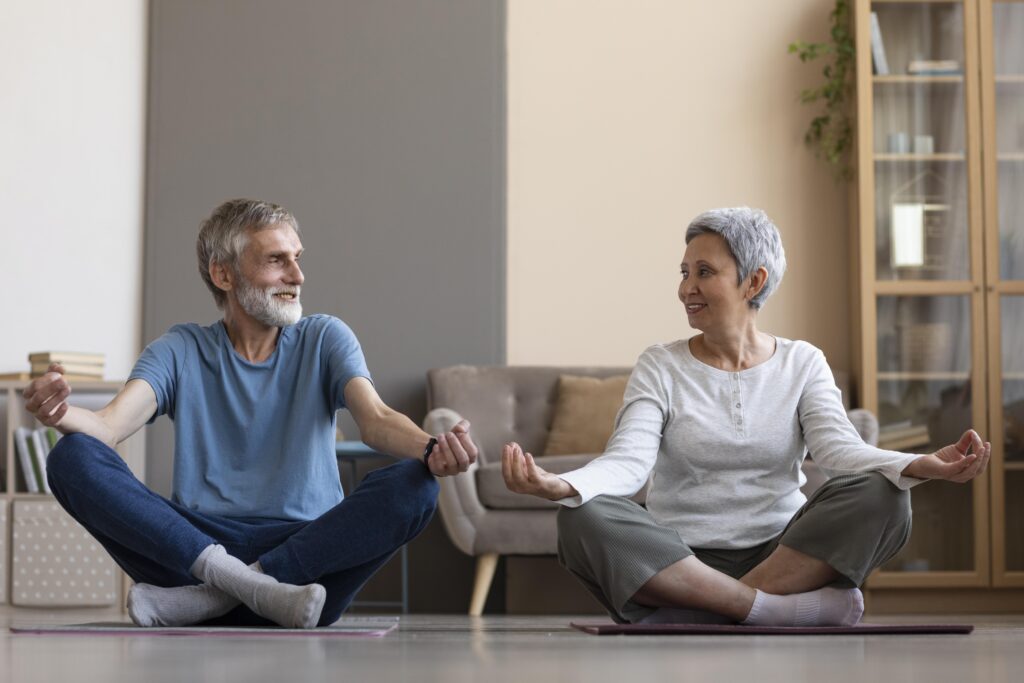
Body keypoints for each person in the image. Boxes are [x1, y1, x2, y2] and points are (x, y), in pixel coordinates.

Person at [501, 207, 990, 627]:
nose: (685, 288)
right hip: (679, 556)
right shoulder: (661, 364)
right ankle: (769, 610)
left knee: (886, 493)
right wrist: (563, 486)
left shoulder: (803, 362)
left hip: (783, 552)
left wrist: (917, 465)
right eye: (684, 271)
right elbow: (628, 463)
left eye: (704, 272)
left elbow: (841, 454)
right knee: (583, 515)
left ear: (753, 280)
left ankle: (703, 610)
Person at [24, 198, 478, 628]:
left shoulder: (324, 338)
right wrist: (61, 413)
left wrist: (432, 447)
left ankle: (216, 597)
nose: (297, 275)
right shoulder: (181, 349)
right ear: (223, 274)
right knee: (71, 456)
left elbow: (375, 419)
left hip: (306, 556)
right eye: (276, 260)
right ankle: (248, 587)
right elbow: (107, 425)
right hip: (194, 549)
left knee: (416, 484)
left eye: (297, 258)